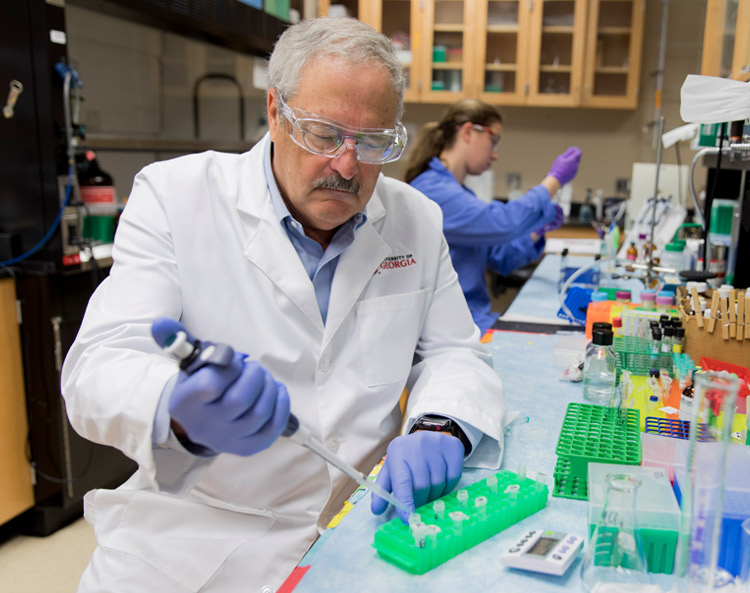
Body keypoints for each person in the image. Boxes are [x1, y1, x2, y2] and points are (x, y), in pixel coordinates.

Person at [60, 17, 505, 593]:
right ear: (275, 112)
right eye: (323, 134)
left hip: (360, 524)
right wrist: (175, 407)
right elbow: (97, 367)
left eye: (373, 143)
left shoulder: (415, 218)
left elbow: (453, 352)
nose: (348, 166)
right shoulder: (175, 197)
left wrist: (442, 425)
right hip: (194, 536)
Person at [403, 100, 581, 334]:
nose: (495, 154)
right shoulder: (431, 191)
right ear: (468, 132)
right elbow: (503, 222)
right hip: (449, 327)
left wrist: (538, 229)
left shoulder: (461, 193)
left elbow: (501, 256)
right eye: (493, 141)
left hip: (469, 319)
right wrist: (553, 180)